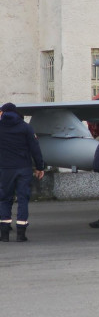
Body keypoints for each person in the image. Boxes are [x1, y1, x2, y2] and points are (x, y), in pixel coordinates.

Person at [0, 103, 45, 242]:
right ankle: (21, 234)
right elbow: (35, 148)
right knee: (23, 199)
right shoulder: (26, 127)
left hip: (5, 169)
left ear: (3, 112)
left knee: (5, 199)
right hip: (23, 168)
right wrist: (40, 167)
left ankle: (4, 234)